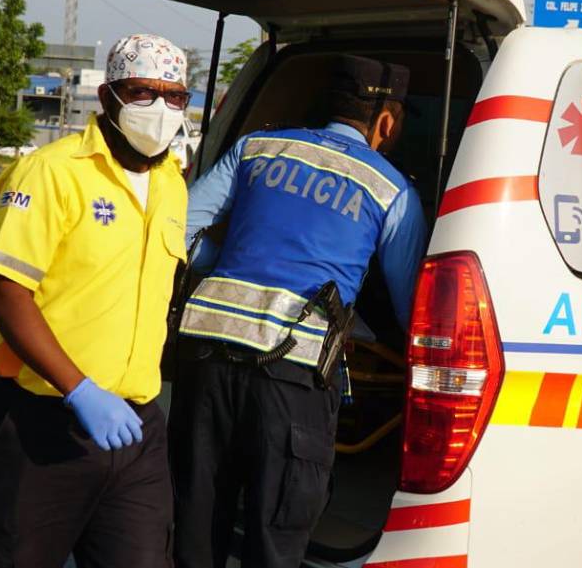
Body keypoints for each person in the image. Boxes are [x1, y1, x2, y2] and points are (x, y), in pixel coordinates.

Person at [171, 54, 428, 568]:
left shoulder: (254, 147)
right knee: (277, 533)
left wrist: (228, 265)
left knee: (196, 523)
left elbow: (177, 228)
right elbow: (410, 310)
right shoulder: (391, 189)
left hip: (204, 362)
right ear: (386, 121)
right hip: (293, 376)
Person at [0, 34, 189, 568]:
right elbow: (7, 293)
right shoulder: (51, 171)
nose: (160, 108)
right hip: (42, 422)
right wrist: (79, 389)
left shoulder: (173, 182)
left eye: (174, 96)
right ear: (107, 97)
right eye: (142, 92)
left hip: (135, 431)